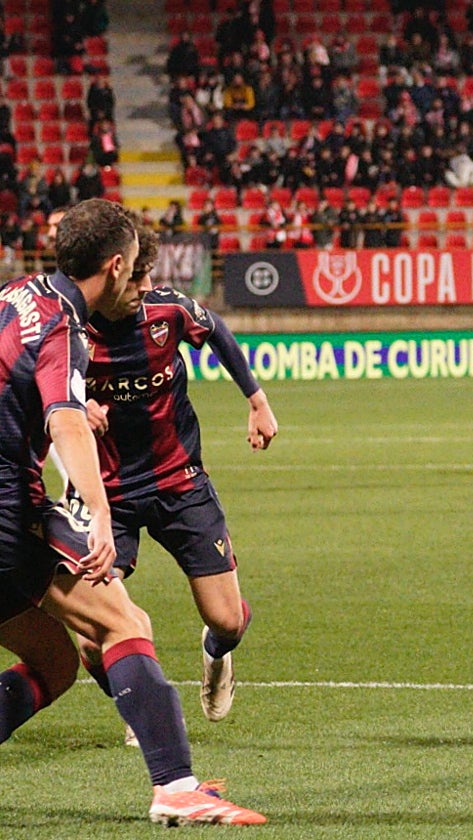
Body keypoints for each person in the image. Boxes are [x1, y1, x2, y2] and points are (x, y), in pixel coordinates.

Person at [0, 198, 266, 825]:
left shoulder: (14, 295)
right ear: (116, 265)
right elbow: (65, 420)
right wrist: (93, 505)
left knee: (54, 663)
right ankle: (176, 787)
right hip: (7, 516)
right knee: (124, 622)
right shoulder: (63, 325)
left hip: (32, 505)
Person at [68, 217, 277, 740]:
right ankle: (141, 705)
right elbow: (43, 391)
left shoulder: (168, 309)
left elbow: (220, 333)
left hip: (179, 480)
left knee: (229, 620)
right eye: (135, 280)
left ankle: (215, 654)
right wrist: (78, 407)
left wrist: (257, 400)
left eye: (147, 277)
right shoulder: (72, 330)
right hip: (105, 493)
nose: (145, 289)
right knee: (92, 638)